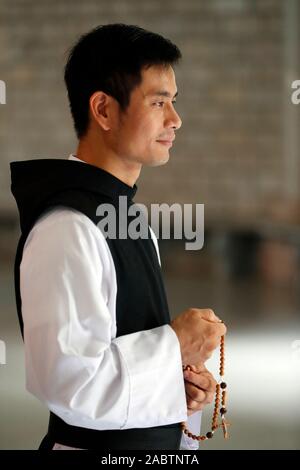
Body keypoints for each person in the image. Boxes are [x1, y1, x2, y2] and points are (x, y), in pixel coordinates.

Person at [10, 23, 226, 451]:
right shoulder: (67, 229)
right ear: (104, 110)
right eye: (158, 102)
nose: (175, 120)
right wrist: (174, 344)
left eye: (174, 102)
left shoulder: (129, 219)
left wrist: (177, 383)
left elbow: (123, 358)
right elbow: (71, 384)